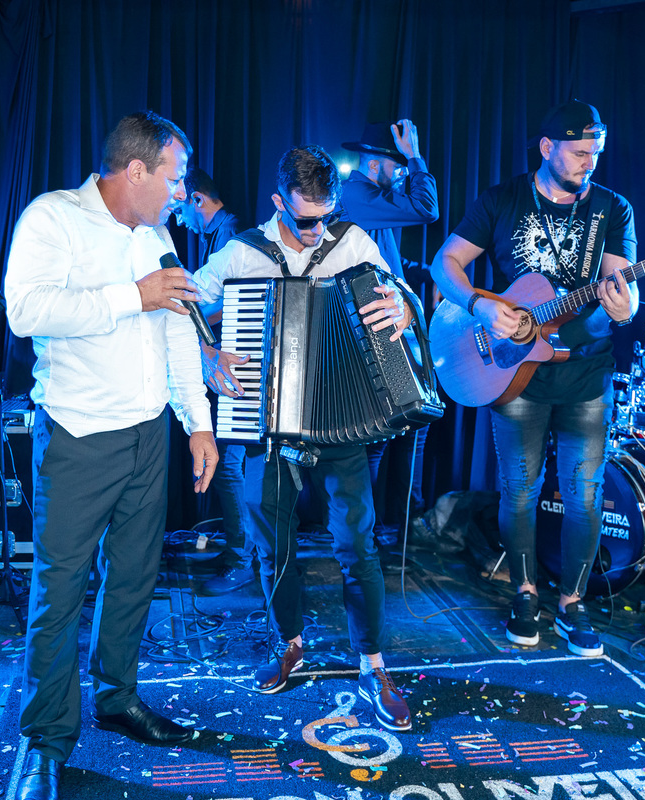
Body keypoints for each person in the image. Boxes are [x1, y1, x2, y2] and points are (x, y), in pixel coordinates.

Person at [4, 111, 218, 800]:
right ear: (135, 171)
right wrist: (133, 297)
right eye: (174, 177)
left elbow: (178, 329)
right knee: (60, 591)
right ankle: (45, 739)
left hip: (147, 434)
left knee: (134, 577)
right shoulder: (52, 218)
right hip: (76, 435)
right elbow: (26, 311)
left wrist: (198, 424)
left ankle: (117, 697)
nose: (181, 191)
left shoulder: (155, 235)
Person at [192, 145, 415, 732]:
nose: (317, 231)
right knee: (274, 547)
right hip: (263, 426)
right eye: (304, 219)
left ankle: (374, 663)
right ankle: (289, 641)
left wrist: (408, 309)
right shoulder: (242, 254)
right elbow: (183, 306)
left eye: (324, 217)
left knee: (358, 546)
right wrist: (208, 351)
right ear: (277, 203)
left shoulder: (352, 243)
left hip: (343, 426)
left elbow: (403, 294)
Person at [430, 100, 638, 657]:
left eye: (596, 153)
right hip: (513, 369)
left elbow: (622, 285)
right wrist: (477, 304)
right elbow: (443, 264)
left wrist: (625, 307)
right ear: (546, 148)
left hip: (587, 372)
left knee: (584, 495)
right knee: (518, 491)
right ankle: (524, 593)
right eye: (578, 153)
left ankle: (572, 603)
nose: (589, 163)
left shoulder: (613, 208)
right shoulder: (501, 200)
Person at [340, 120, 439, 542]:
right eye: (397, 168)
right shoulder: (357, 194)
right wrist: (415, 156)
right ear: (379, 163)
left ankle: (396, 523)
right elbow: (426, 208)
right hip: (373, 331)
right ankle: (370, 528)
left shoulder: (371, 200)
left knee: (411, 425)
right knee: (381, 434)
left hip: (391, 326)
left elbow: (390, 262)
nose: (401, 177)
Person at [173, 166, 253, 596]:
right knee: (230, 466)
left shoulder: (232, 234)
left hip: (235, 363)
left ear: (198, 199)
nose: (177, 217)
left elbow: (230, 300)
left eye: (181, 207)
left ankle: (243, 560)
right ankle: (241, 555)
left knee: (230, 466)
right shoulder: (220, 233)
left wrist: (186, 319)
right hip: (225, 361)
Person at [174, 166, 241, 269]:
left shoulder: (227, 231)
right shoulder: (219, 231)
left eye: (179, 211)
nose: (179, 222)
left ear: (198, 200)